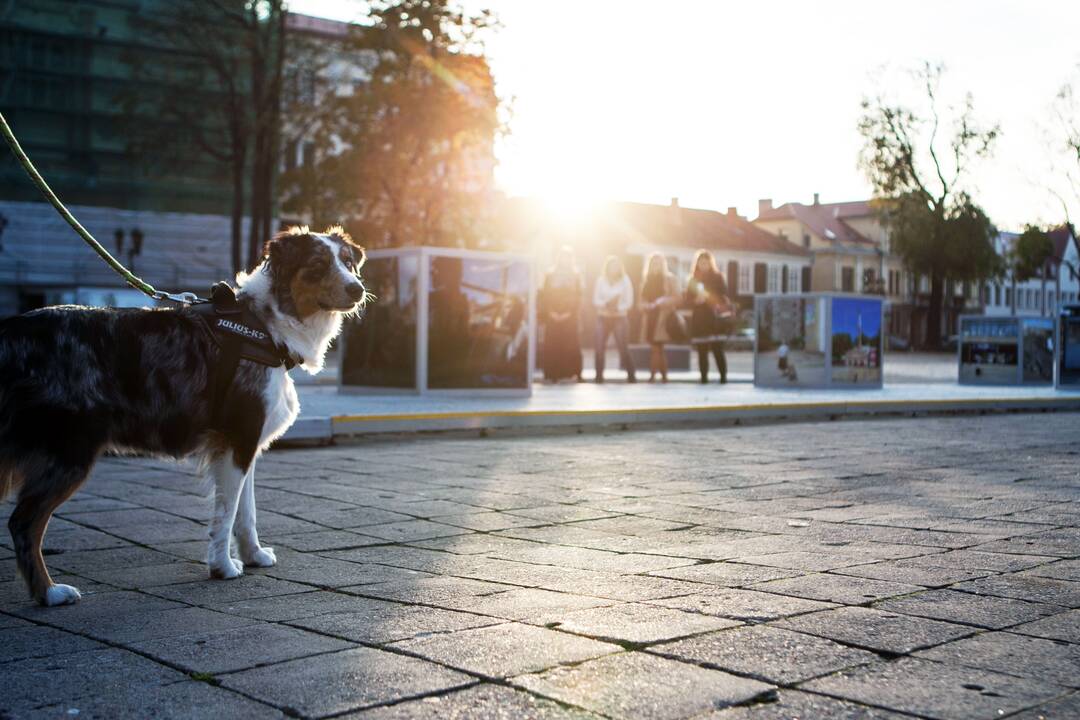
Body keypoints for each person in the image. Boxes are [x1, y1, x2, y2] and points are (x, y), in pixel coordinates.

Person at [685, 249, 733, 383]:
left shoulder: (718, 277)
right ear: (697, 264)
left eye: (706, 263)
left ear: (710, 263)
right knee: (702, 350)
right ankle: (703, 378)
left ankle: (723, 377)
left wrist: (711, 298)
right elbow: (687, 299)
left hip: (714, 318)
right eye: (701, 263)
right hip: (700, 318)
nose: (703, 265)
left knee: (717, 349)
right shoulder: (692, 279)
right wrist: (696, 301)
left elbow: (724, 296)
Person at [540, 247, 584, 382]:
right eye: (563, 257)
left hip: (570, 316)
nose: (565, 260)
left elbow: (578, 296)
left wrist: (569, 313)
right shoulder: (550, 274)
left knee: (571, 345)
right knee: (553, 345)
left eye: (568, 257)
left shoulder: (576, 275)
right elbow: (544, 296)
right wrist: (551, 312)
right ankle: (552, 374)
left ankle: (573, 373)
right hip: (552, 315)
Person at [593, 255, 636, 383]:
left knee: (623, 347)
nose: (614, 268)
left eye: (616, 266)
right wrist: (606, 305)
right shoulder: (601, 280)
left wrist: (617, 308)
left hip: (620, 318)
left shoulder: (625, 280)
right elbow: (595, 300)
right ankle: (599, 377)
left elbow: (629, 302)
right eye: (611, 266)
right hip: (603, 317)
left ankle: (631, 376)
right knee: (599, 347)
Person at [639, 252, 679, 382]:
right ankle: (663, 376)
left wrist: (663, 301)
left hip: (663, 318)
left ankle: (654, 375)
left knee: (657, 348)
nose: (656, 265)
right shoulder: (646, 280)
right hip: (650, 317)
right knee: (657, 348)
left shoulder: (670, 279)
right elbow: (640, 301)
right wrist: (646, 305)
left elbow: (678, 297)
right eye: (653, 263)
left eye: (658, 263)